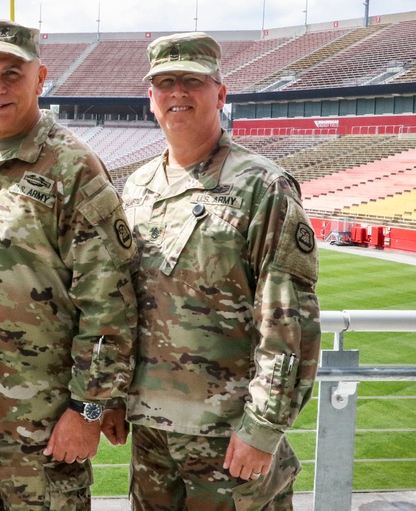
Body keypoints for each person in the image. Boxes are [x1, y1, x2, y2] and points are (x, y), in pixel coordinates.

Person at [0, 19, 138, 510]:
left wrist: (88, 410)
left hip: (41, 434)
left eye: (12, 74)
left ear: (41, 78)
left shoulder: (72, 166)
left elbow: (110, 301)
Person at [117, 31, 321, 510]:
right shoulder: (138, 187)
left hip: (230, 437)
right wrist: (107, 399)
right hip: (151, 435)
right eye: (165, 82)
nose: (177, 93)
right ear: (151, 98)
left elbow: (289, 321)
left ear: (220, 93)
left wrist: (264, 428)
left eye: (193, 80)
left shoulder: (262, 186)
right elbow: (117, 303)